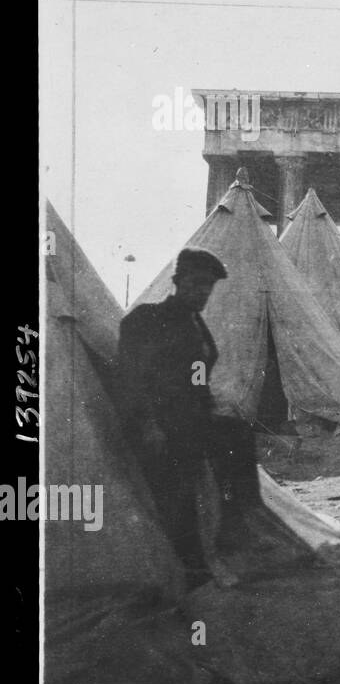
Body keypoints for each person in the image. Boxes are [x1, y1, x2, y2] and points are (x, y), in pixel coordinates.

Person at [118, 247, 258, 587]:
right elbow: (134, 379)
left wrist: (212, 405)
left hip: (191, 418)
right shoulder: (147, 320)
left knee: (239, 435)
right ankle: (193, 563)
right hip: (159, 423)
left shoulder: (195, 323)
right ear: (177, 282)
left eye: (207, 287)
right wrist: (149, 425)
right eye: (195, 285)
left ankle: (237, 529)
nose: (202, 293)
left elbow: (196, 377)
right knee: (178, 485)